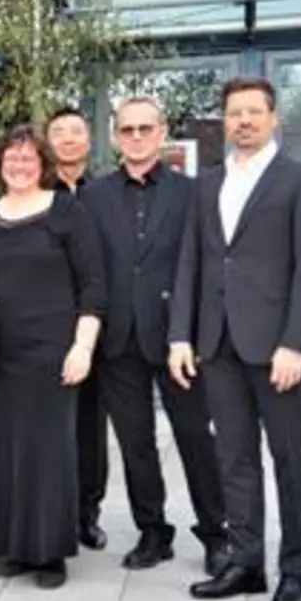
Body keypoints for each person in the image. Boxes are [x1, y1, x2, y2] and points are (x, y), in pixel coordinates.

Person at [169, 75, 301, 601]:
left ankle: (296, 570)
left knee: (291, 460)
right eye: (233, 113)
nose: (242, 121)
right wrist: (181, 335)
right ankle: (246, 563)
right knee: (234, 458)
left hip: (277, 350)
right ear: (223, 121)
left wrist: (297, 342)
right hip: (216, 344)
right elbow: (192, 262)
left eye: (253, 112)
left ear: (273, 119)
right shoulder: (207, 183)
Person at [84, 97, 228, 573]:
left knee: (194, 437)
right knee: (135, 443)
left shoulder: (194, 192)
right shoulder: (94, 196)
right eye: (128, 129)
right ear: (115, 136)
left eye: (146, 128)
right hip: (119, 338)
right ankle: (153, 532)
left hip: (177, 339)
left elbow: (207, 266)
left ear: (162, 130)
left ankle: (216, 534)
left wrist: (196, 333)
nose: (137, 137)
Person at [0, 125, 107, 589]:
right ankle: (11, 545)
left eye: (29, 158)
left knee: (49, 450)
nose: (20, 165)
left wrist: (83, 346)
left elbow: (93, 286)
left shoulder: (67, 211)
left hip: (52, 348)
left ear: (42, 164)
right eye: (12, 158)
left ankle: (49, 553)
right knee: (3, 447)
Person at [47, 107, 109, 552]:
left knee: (89, 426)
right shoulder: (34, 192)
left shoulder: (106, 194)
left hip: (96, 327)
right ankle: (52, 511)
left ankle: (88, 512)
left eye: (76, 132)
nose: (68, 139)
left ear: (89, 140)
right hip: (42, 327)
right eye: (58, 133)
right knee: (49, 428)